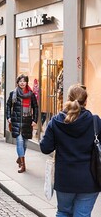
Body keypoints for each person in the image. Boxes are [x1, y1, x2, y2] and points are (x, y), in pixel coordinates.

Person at [40, 84, 100, 216]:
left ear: (68, 99)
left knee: (63, 212)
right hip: (90, 179)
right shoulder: (95, 122)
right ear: (85, 101)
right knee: (82, 214)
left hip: (65, 178)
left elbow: (45, 148)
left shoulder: (56, 121)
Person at [6, 74, 38, 173]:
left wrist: (35, 120)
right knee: (19, 141)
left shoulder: (31, 94)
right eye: (20, 81)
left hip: (27, 121)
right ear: (18, 82)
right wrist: (9, 117)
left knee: (25, 143)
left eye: (24, 81)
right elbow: (8, 105)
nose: (22, 83)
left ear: (27, 82)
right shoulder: (13, 93)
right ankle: (23, 164)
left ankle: (20, 157)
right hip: (16, 121)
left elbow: (35, 107)